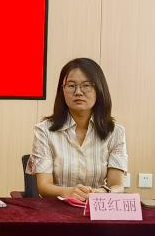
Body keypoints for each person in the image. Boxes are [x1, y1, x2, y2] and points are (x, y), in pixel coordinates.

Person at [27, 57, 127, 199]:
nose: (78, 92)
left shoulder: (115, 132)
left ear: (99, 89)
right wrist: (67, 192)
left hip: (97, 206)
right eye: (71, 85)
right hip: (58, 208)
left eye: (86, 85)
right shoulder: (44, 130)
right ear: (62, 90)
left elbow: (117, 185)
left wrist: (104, 192)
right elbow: (43, 186)